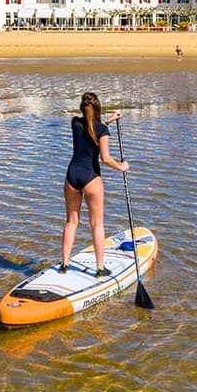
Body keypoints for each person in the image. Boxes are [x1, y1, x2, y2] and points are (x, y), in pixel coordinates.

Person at [61, 92, 128, 277]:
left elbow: (89, 129)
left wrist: (109, 121)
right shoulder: (102, 131)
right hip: (91, 178)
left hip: (72, 176)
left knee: (71, 222)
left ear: (82, 108)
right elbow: (105, 158)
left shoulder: (75, 123)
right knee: (97, 224)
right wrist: (121, 167)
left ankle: (65, 264)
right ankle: (100, 268)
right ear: (98, 108)